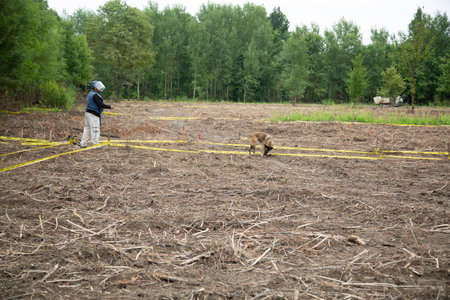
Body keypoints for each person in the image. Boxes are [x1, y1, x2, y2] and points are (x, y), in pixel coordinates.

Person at [80, 81, 114, 147]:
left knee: (87, 129)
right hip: (93, 114)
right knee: (95, 129)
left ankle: (83, 143)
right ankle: (95, 145)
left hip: (88, 113)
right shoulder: (95, 95)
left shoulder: (90, 94)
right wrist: (109, 107)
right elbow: (100, 104)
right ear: (95, 87)